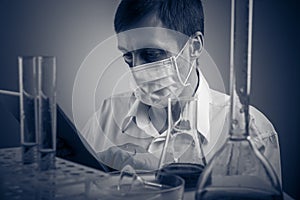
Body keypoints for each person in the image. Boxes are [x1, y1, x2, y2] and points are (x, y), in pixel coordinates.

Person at [81, 0, 281, 181]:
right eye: (128, 57)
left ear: (194, 47)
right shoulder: (104, 120)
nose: (137, 71)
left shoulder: (253, 133)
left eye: (151, 54)